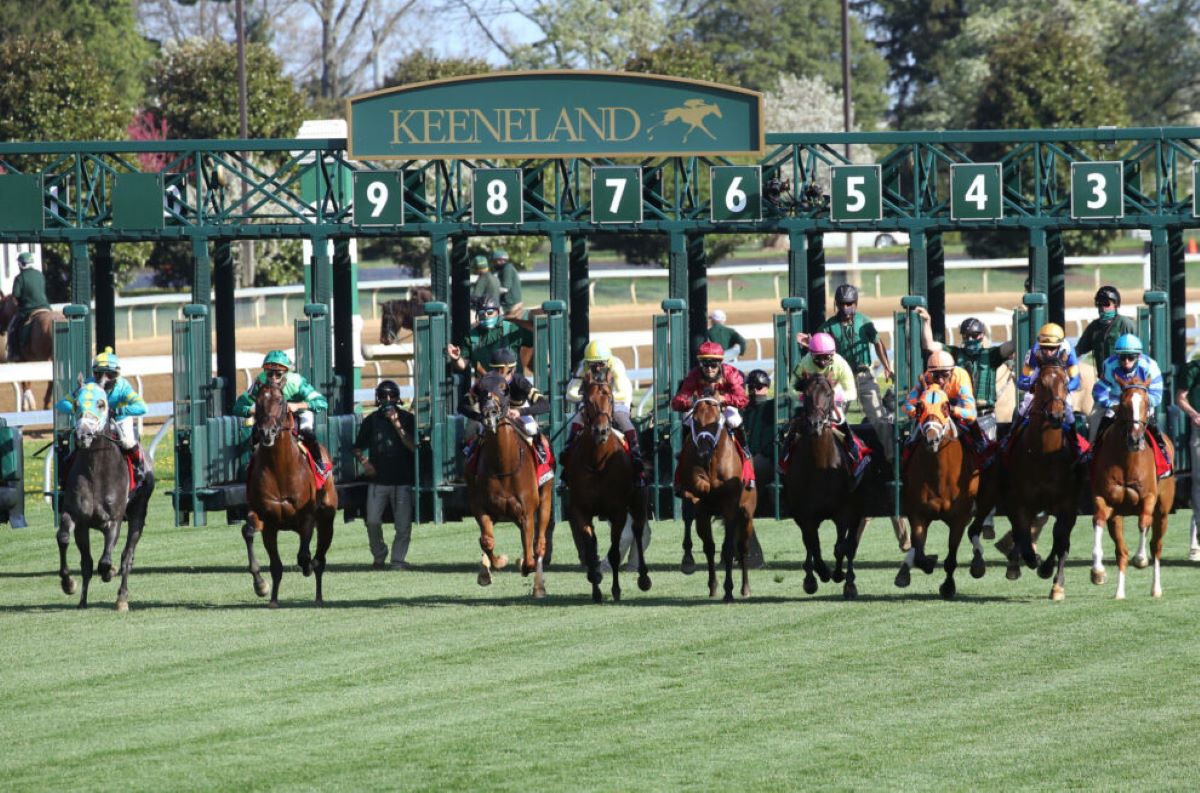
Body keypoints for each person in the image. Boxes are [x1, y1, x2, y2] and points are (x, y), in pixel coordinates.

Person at [799, 283, 895, 463]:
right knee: (834, 419)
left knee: (880, 418)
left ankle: (892, 459)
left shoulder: (864, 322)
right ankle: (838, 459)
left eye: (849, 303)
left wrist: (887, 367)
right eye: (842, 304)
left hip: (863, 375)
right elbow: (818, 348)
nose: (845, 307)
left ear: (856, 303)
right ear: (836, 304)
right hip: (839, 379)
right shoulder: (827, 326)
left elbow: (878, 342)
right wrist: (810, 342)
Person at [914, 306, 1015, 443]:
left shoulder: (992, 355)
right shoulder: (954, 353)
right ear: (962, 337)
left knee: (988, 455)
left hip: (984, 416)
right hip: (958, 415)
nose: (971, 339)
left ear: (982, 335)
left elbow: (1014, 344)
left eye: (975, 335)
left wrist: (1016, 319)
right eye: (967, 336)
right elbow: (929, 345)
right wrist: (927, 321)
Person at [56, 347, 149, 486]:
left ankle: (139, 468)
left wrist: (118, 411)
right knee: (80, 441)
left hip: (118, 421)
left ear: (117, 374)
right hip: (95, 422)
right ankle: (66, 476)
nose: (104, 379)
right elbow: (61, 404)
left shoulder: (123, 387)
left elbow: (142, 407)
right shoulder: (87, 385)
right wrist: (78, 409)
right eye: (99, 374)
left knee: (127, 441)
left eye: (109, 375)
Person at [670, 341, 753, 489]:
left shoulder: (731, 373)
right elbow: (677, 400)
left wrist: (723, 399)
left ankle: (745, 453)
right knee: (687, 420)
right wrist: (691, 402)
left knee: (734, 419)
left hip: (724, 408)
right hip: (701, 410)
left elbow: (743, 399)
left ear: (720, 363)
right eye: (705, 364)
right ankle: (683, 459)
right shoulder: (694, 374)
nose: (709, 368)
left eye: (713, 364)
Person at [234, 350, 331, 476]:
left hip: (298, 413)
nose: (273, 378)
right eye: (269, 374)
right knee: (255, 433)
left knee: (308, 433)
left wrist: (298, 405)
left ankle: (319, 465)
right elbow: (238, 406)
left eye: (278, 374)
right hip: (272, 415)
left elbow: (322, 402)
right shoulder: (260, 381)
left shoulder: (297, 382)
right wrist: (250, 409)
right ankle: (252, 467)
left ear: (286, 373)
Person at [353, 380, 416, 570]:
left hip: (403, 479)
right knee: (372, 521)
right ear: (378, 398)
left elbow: (413, 447)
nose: (387, 400)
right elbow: (357, 448)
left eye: (391, 396)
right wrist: (365, 463)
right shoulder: (371, 421)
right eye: (383, 396)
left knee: (403, 525)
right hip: (378, 480)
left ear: (397, 398)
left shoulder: (407, 418)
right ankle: (379, 554)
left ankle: (398, 560)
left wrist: (397, 424)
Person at [789, 332, 870, 477]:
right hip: (810, 399)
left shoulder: (841, 364)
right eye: (818, 357)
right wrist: (801, 397)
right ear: (811, 354)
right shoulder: (805, 363)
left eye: (827, 357)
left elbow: (852, 392)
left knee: (840, 421)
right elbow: (791, 388)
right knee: (792, 430)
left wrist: (836, 397)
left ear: (833, 354)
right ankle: (784, 459)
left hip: (832, 397)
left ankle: (856, 455)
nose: (822, 361)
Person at [458, 347, 552, 473]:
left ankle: (542, 463)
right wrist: (479, 417)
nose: (499, 375)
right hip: (494, 413)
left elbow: (545, 405)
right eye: (496, 370)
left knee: (531, 428)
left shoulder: (520, 382)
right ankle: (472, 464)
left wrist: (520, 412)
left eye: (502, 371)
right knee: (480, 433)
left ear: (512, 370)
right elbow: (462, 406)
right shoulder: (485, 383)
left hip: (518, 411)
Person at [563, 340, 645, 484]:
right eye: (594, 364)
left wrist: (606, 399)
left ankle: (636, 456)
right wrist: (590, 399)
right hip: (594, 401)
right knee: (578, 418)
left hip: (616, 400)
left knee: (623, 419)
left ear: (608, 361)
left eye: (602, 363)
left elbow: (623, 393)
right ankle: (568, 453)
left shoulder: (616, 366)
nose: (598, 367)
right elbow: (570, 393)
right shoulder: (583, 367)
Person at [1092, 334, 1169, 472]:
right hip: (1116, 400)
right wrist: (1111, 404)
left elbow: (1157, 396)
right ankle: (1093, 452)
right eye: (1122, 357)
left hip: (1142, 402)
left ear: (1138, 356)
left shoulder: (1150, 366)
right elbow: (1099, 390)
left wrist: (1138, 403)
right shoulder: (1109, 365)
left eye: (1131, 357)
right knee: (1097, 419)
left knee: (1151, 423)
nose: (1126, 361)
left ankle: (1163, 455)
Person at [1014, 322, 1085, 458]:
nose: (1048, 352)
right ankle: (1009, 440)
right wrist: (1033, 385)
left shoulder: (1068, 349)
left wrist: (1062, 389)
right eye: (1045, 348)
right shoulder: (1034, 352)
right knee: (1024, 406)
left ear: (1059, 345)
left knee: (1068, 410)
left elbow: (1075, 380)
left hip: (1061, 379)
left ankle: (1076, 446)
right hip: (1040, 375)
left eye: (1052, 348)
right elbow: (1021, 381)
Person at [1076, 285, 1138, 441]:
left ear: (1116, 305)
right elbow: (1078, 350)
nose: (1103, 308)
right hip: (1106, 387)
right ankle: (1091, 454)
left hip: (1130, 384)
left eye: (1107, 304)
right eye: (1100, 304)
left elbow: (1140, 354)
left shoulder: (1126, 324)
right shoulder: (1094, 327)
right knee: (1093, 419)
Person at [903, 349, 988, 454]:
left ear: (952, 372)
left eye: (945, 375)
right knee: (913, 438)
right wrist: (918, 412)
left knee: (970, 421)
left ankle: (980, 442)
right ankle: (909, 447)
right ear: (930, 373)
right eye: (935, 376)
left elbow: (971, 413)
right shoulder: (926, 377)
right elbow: (907, 405)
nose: (940, 380)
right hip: (932, 411)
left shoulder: (961, 377)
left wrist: (951, 409)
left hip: (956, 404)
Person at [446, 296, 533, 376]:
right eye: (481, 313)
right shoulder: (471, 336)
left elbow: (537, 339)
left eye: (490, 312)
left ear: (498, 313)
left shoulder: (511, 328)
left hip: (513, 386)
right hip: (486, 387)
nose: (486, 316)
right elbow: (463, 365)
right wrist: (456, 358)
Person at [1172, 355, 1200, 559]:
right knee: (1199, 482)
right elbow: (1180, 397)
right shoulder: (1192, 369)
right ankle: (1195, 541)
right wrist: (1194, 414)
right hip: (1198, 431)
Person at [6, 251, 50, 363]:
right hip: (46, 307)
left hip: (28, 310)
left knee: (12, 327)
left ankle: (14, 353)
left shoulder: (20, 278)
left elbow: (15, 297)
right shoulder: (40, 275)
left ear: (21, 264)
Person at [742, 369, 776, 486]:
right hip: (745, 457)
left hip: (766, 458)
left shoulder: (772, 407)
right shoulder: (743, 410)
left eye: (759, 387)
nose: (754, 391)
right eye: (751, 387)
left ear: (767, 387)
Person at [491, 249, 525, 319]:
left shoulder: (507, 268)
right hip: (508, 304)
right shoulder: (504, 269)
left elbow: (505, 289)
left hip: (511, 305)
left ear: (500, 260)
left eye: (494, 261)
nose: (493, 264)